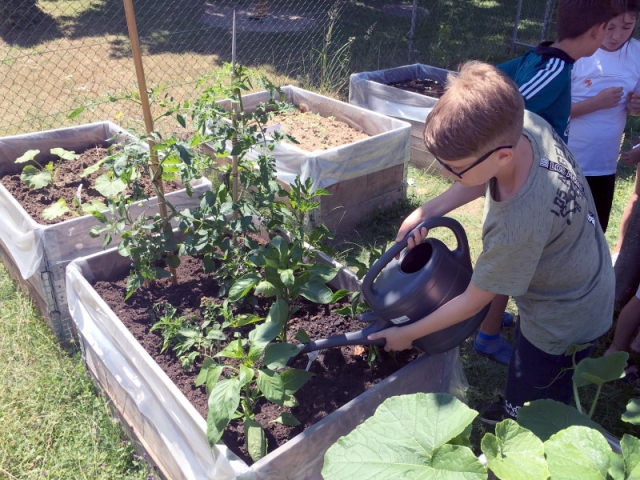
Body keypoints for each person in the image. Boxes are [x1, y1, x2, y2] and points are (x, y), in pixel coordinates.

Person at [367, 61, 615, 422]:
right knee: (534, 369)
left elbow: (474, 300)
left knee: (539, 393)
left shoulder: (517, 224)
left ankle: (523, 418)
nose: (444, 173)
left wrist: (408, 333)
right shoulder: (523, 124)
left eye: (454, 168)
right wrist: (426, 211)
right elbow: (481, 173)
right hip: (581, 270)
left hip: (564, 315)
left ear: (502, 156)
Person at [473, 0, 624, 365]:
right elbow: (507, 108)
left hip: (522, 177)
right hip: (525, 183)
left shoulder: (541, 56)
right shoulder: (554, 69)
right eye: (608, 29)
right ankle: (488, 335)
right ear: (596, 31)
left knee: (509, 257)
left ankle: (488, 318)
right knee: (512, 261)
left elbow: (493, 76)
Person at [568, 2, 640, 233]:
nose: (617, 36)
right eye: (610, 27)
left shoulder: (637, 54)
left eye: (627, 27)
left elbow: (634, 108)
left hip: (603, 166)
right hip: (564, 163)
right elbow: (549, 112)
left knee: (595, 235)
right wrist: (595, 104)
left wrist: (635, 107)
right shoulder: (576, 50)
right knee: (558, 237)